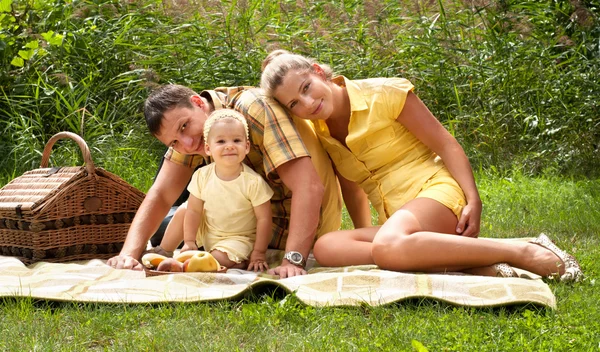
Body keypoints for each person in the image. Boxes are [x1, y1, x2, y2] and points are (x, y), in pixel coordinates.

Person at [259, 50, 583, 282]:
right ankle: (458, 262)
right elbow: (351, 186)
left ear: (317, 71)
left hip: (435, 192)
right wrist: (361, 233)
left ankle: (519, 250)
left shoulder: (385, 92)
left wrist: (474, 199)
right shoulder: (319, 132)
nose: (307, 103)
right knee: (328, 247)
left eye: (305, 88)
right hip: (398, 222)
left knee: (387, 246)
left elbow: (445, 143)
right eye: (294, 104)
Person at [106, 84, 343, 278]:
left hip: (289, 228)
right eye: (174, 143)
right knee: (170, 221)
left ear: (199, 103)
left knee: (178, 223)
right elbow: (161, 194)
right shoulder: (196, 133)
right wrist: (128, 255)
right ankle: (168, 249)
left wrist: (293, 260)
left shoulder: (253, 107)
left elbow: (309, 187)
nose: (187, 144)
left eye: (185, 126)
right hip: (232, 224)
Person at [152, 109, 274, 271]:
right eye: (221, 142)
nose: (229, 146)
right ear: (208, 149)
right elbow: (194, 211)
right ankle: (164, 250)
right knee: (184, 209)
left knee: (217, 257)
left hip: (238, 239)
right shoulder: (202, 175)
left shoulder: (253, 182)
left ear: (246, 147)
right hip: (209, 230)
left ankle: (223, 261)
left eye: (236, 141)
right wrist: (189, 242)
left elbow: (264, 219)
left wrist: (258, 253)